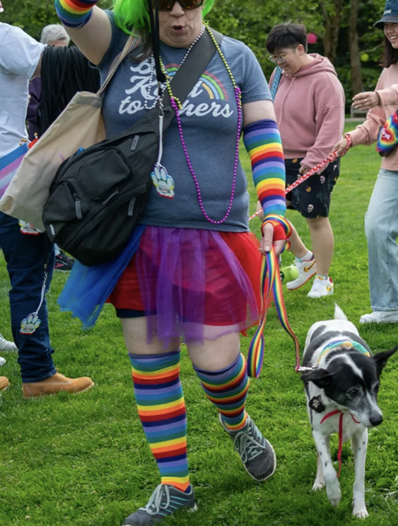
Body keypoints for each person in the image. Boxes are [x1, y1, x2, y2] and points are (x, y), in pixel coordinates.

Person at [54, 0, 289, 523]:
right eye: (165, 4)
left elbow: (264, 137)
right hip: (135, 236)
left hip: (214, 235)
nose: (179, 15)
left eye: (191, 2)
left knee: (217, 366)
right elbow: (70, 10)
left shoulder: (236, 57)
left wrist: (274, 207)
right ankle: (175, 484)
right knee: (151, 365)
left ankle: (237, 422)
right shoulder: (117, 45)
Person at [332, 0, 398, 327]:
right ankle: (391, 306)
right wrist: (350, 138)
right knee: (376, 226)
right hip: (393, 163)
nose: (390, 30)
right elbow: (376, 122)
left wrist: (383, 95)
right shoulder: (388, 71)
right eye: (386, 25)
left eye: (396, 23)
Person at [0, 17, 93, 396]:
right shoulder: (3, 35)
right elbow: (60, 65)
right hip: (7, 172)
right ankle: (38, 372)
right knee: (30, 272)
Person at [267, 23, 345, 298]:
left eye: (282, 56)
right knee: (270, 213)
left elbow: (331, 127)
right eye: (274, 58)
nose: (279, 63)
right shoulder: (279, 74)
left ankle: (323, 278)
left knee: (315, 218)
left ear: (300, 48)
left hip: (313, 161)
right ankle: (305, 258)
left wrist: (313, 161)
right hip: (279, 158)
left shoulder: (325, 80)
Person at [27, 24, 78, 272]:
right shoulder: (35, 77)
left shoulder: (70, 71)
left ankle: (58, 248)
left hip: (64, 141)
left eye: (64, 49)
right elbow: (31, 110)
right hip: (41, 141)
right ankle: (52, 252)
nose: (61, 56)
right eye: (56, 50)